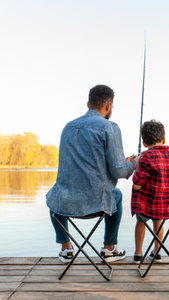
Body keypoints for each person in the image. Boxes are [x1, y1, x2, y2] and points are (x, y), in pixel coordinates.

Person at [46, 84, 136, 263]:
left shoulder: (68, 127)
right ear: (108, 105)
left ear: (88, 104)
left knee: (52, 197)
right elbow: (118, 171)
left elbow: (84, 162)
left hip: (65, 203)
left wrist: (122, 161)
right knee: (116, 195)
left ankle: (66, 248)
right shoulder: (109, 127)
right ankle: (109, 248)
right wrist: (133, 164)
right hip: (96, 203)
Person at [131, 120, 169, 262]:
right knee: (158, 222)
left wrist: (136, 166)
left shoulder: (146, 156)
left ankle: (138, 253)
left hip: (147, 205)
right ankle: (157, 252)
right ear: (163, 139)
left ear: (144, 143)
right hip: (165, 206)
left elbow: (137, 185)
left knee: (141, 222)